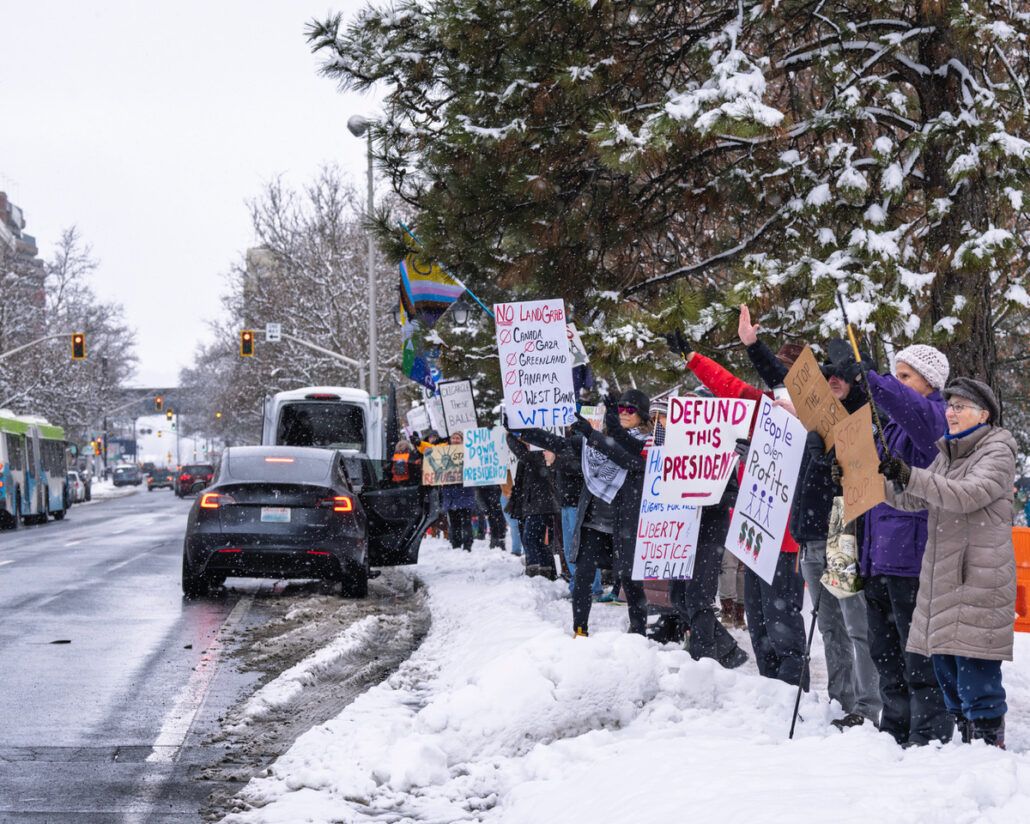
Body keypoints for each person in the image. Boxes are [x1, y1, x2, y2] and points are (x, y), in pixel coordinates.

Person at [737, 306, 881, 730]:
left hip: (842, 529)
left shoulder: (862, 409)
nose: (832, 379)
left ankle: (867, 706)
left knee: (855, 627)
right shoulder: (815, 414)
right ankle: (842, 699)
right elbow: (780, 379)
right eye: (826, 374)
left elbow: (879, 398)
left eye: (840, 373)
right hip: (811, 535)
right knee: (831, 629)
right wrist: (752, 345)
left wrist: (865, 374)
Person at [880, 377, 1017, 748]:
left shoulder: (997, 451)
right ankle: (966, 748)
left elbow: (968, 494)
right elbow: (914, 500)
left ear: (983, 414)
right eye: (950, 406)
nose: (951, 413)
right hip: (943, 579)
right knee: (948, 674)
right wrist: (879, 482)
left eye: (960, 407)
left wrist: (913, 476)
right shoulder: (948, 454)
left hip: (977, 578)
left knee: (976, 673)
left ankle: (990, 747)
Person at [667, 330, 808, 688]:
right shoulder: (764, 407)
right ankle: (770, 692)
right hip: (754, 535)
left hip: (788, 539)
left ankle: (794, 695)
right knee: (760, 624)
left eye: (787, 375)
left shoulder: (816, 419)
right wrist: (692, 357)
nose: (779, 386)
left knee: (783, 625)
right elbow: (727, 385)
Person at [513, 389, 650, 636]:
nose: (624, 413)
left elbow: (622, 456)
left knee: (631, 582)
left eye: (631, 409)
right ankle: (580, 629)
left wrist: (592, 433)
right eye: (621, 408)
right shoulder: (594, 441)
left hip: (625, 526)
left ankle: (639, 634)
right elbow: (559, 443)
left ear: (642, 416)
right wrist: (521, 430)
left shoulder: (645, 444)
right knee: (583, 577)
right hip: (593, 524)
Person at [505, 433, 561, 578]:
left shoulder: (539, 455)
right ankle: (547, 572)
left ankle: (536, 574)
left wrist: (509, 434)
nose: (525, 443)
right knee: (537, 540)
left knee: (530, 538)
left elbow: (520, 452)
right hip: (535, 504)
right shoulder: (535, 456)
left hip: (541, 504)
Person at [440, 433, 477, 552]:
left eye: (458, 438)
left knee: (466, 521)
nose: (455, 440)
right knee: (454, 522)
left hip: (465, 492)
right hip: (450, 493)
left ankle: (467, 545)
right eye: (453, 438)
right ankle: (456, 545)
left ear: (462, 440)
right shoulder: (444, 453)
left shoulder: (468, 453)